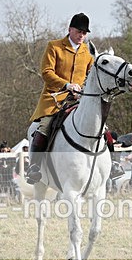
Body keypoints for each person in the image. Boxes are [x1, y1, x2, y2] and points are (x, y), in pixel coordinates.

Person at [26, 13, 95, 184]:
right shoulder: (54, 47)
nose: (82, 36)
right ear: (70, 29)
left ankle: (113, 163)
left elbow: (91, 74)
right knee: (45, 126)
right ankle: (34, 167)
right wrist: (66, 85)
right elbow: (47, 72)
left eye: (85, 33)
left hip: (79, 99)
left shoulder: (87, 52)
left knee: (99, 124)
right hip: (54, 98)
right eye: (79, 32)